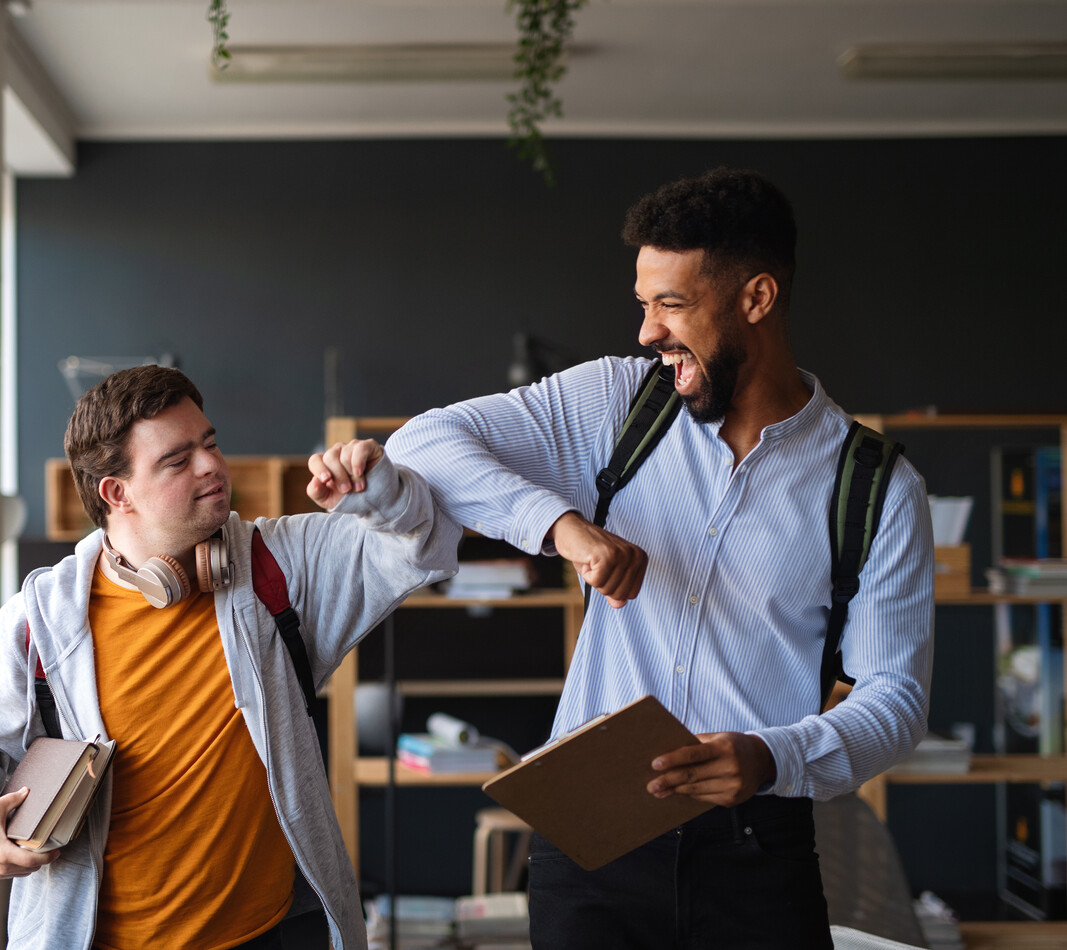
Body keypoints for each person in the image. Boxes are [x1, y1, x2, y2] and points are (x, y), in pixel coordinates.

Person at [387, 166, 934, 949]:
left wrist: (771, 757)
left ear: (756, 298)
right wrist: (562, 528)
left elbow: (894, 700)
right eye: (643, 304)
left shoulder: (877, 487)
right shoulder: (617, 405)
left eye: (671, 304)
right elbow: (422, 444)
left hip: (757, 857)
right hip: (588, 848)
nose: (647, 331)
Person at [0, 365, 460, 950]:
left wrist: (387, 493)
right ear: (116, 492)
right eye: (176, 459)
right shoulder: (35, 624)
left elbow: (426, 545)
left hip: (275, 933)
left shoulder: (280, 565)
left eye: (210, 443)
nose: (212, 465)